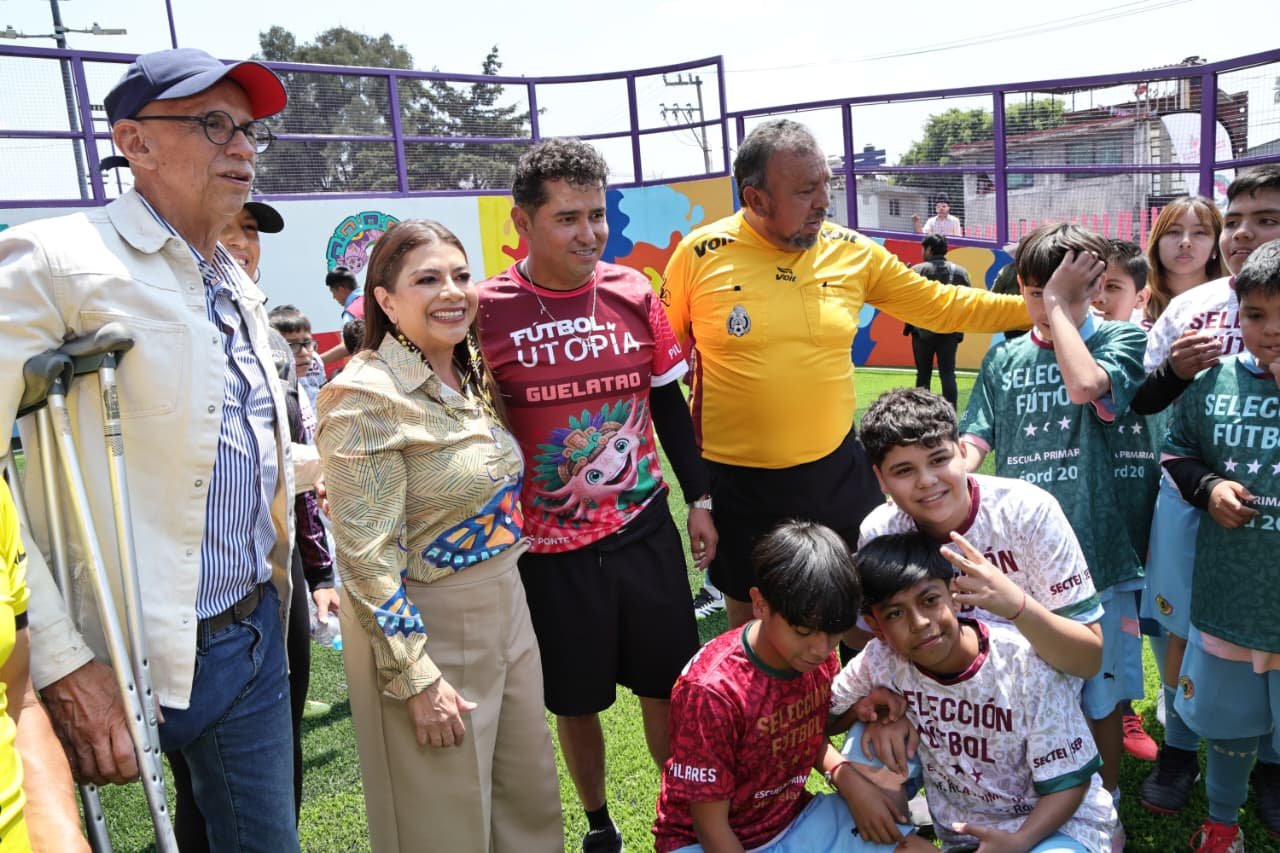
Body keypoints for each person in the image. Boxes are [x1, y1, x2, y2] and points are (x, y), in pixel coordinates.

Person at [0, 47, 300, 851]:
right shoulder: (55, 259)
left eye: (247, 130)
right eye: (213, 125)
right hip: (124, 644)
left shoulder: (230, 272)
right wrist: (57, 658)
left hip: (253, 629)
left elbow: (239, 442)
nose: (241, 146)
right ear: (134, 142)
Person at [660, 118, 1028, 630]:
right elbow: (661, 367)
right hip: (737, 481)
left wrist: (1036, 310)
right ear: (756, 198)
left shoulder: (851, 251)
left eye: (826, 187)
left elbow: (940, 306)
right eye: (806, 190)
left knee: (862, 617)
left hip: (835, 472)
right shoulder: (698, 256)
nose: (823, 202)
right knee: (757, 629)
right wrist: (699, 494)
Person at [476, 138, 713, 853]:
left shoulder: (635, 291)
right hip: (546, 550)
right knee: (574, 698)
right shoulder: (485, 311)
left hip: (643, 529)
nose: (588, 233)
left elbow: (669, 404)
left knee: (666, 685)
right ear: (523, 222)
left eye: (596, 215)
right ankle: (599, 820)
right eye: (567, 218)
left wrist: (699, 498)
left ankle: (680, 816)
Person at [316, 219, 562, 853]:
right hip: (433, 621)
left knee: (527, 800)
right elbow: (364, 559)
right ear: (386, 301)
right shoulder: (364, 395)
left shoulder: (466, 369)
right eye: (426, 279)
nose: (451, 291)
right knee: (444, 818)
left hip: (509, 604)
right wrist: (416, 677)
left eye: (459, 274)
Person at [957, 223, 1148, 811]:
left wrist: (1066, 308)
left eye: (1065, 291)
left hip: (1096, 556)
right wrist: (943, 473)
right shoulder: (1005, 357)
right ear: (1022, 287)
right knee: (1025, 689)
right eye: (1037, 292)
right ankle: (1029, 800)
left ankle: (1104, 809)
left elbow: (1087, 383)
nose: (1047, 305)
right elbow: (977, 437)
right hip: (1016, 562)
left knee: (1101, 697)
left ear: (1095, 286)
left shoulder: (1121, 339)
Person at [1130, 167, 1280, 829]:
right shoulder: (1195, 305)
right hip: (1192, 503)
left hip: (1264, 527)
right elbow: (1145, 402)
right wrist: (1174, 371)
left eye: (1267, 218)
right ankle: (1180, 746)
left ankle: (1270, 766)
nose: (1245, 231)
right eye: (1238, 216)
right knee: (1183, 627)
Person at [651, 521, 934, 853]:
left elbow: (806, 731)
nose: (820, 648)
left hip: (790, 819)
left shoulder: (814, 657)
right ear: (760, 604)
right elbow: (710, 828)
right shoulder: (712, 692)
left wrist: (848, 762)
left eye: (834, 633)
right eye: (803, 631)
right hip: (703, 842)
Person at [830, 532, 1119, 853]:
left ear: (955, 595)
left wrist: (1018, 842)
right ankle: (897, 839)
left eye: (929, 600)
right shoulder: (881, 660)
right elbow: (824, 717)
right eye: (895, 613)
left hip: (1056, 826)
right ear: (876, 626)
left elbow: (1071, 782)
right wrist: (865, 711)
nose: (920, 622)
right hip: (967, 834)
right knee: (865, 735)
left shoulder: (1025, 662)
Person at [857, 387, 1103, 680]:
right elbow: (869, 635)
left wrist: (1017, 606)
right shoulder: (881, 530)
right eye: (904, 470)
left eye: (938, 460)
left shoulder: (1027, 512)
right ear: (881, 479)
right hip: (935, 704)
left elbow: (1087, 660)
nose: (926, 481)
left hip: (1033, 698)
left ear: (962, 453)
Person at [1093, 240, 1164, 764]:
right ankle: (1101, 704)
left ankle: (1126, 706)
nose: (1098, 298)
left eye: (1111, 287)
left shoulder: (1149, 348)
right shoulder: (1059, 349)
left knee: (1133, 612)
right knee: (1093, 608)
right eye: (1090, 286)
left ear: (1140, 297)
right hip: (1089, 503)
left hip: (1142, 498)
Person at [905, 234, 971, 408]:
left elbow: (906, 298)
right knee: (948, 374)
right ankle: (951, 415)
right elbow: (967, 301)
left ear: (929, 249)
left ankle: (919, 415)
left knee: (923, 375)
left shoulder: (917, 271)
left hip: (922, 331)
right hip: (949, 332)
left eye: (923, 249)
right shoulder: (960, 272)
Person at [1141, 196, 1224, 326]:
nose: (1185, 242)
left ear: (1216, 246)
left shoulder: (1234, 304)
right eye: (1173, 232)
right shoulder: (1134, 302)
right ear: (1156, 243)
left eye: (1199, 232)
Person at [270, 305, 326, 409]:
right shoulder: (271, 389)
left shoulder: (315, 360)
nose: (304, 352)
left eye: (307, 342)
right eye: (293, 345)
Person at [319, 265, 363, 367]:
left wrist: (316, 361)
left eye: (333, 292)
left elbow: (347, 347)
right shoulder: (376, 299)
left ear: (342, 290)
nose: (334, 297)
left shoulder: (351, 313)